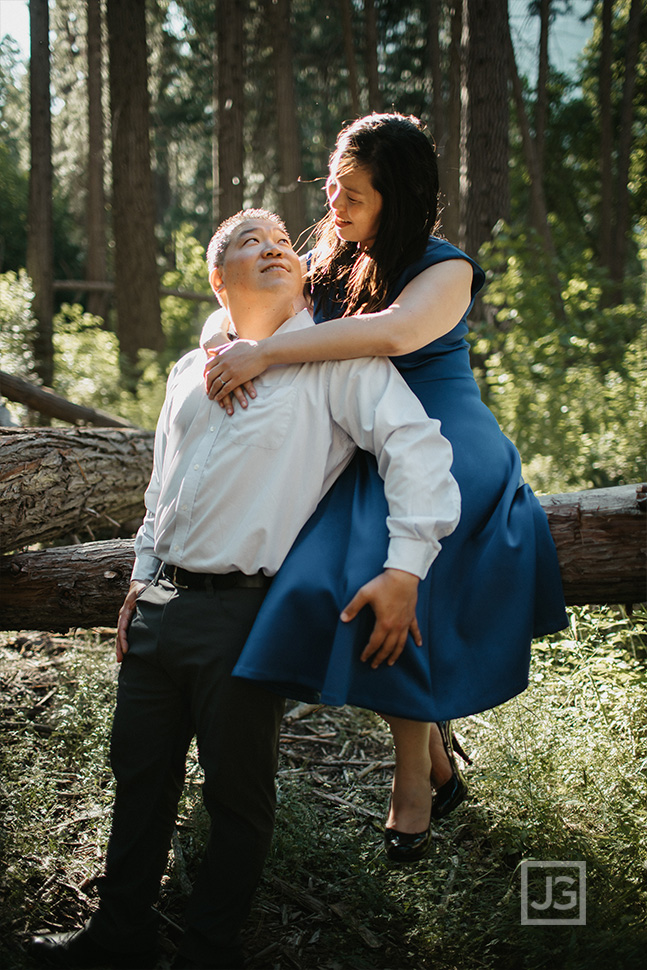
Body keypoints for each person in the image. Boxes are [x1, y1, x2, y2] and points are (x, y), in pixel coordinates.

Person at [29, 209, 461, 970]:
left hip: (243, 612)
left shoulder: (337, 361)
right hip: (158, 609)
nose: (272, 248)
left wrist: (405, 568)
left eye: (282, 242)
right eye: (248, 242)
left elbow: (415, 447)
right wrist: (137, 579)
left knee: (236, 797)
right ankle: (116, 936)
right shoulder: (185, 374)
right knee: (139, 774)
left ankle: (208, 949)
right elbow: (163, 487)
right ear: (215, 276)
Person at [204, 113, 569, 860]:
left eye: (354, 194)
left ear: (396, 198)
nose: (334, 205)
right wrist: (224, 341)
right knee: (318, 574)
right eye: (331, 186)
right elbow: (252, 307)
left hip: (444, 438)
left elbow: (392, 335)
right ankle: (436, 760)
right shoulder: (332, 257)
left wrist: (264, 352)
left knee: (386, 561)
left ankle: (410, 781)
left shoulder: (444, 268)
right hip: (360, 438)